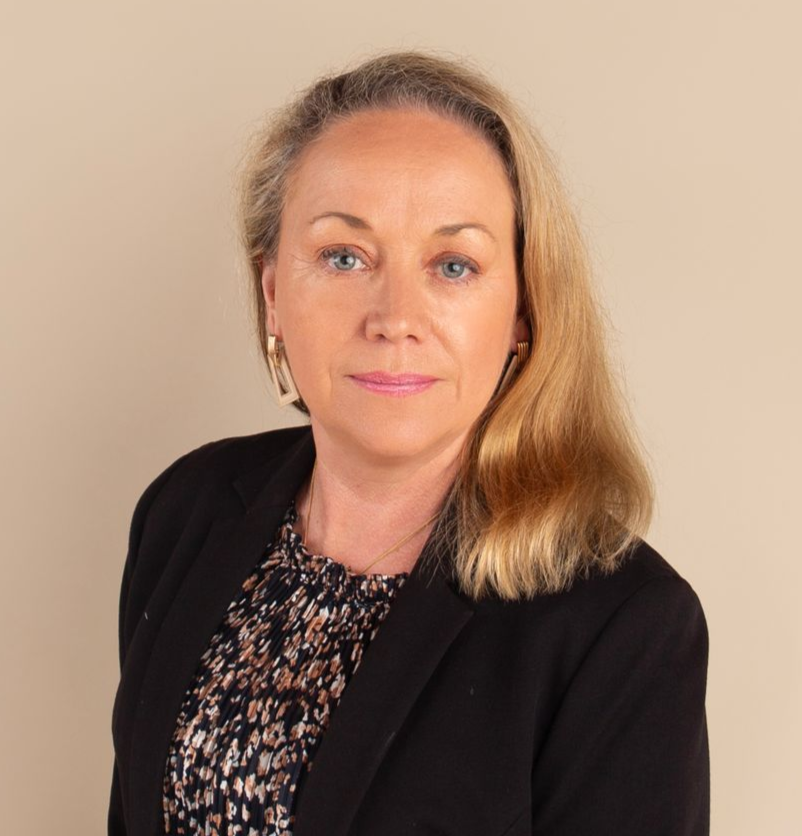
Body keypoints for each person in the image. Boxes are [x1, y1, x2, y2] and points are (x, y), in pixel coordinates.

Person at [109, 49, 710, 836]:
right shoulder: (185, 511)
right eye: (343, 256)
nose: (395, 315)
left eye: (453, 265)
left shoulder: (622, 627)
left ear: (523, 312)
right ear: (273, 295)